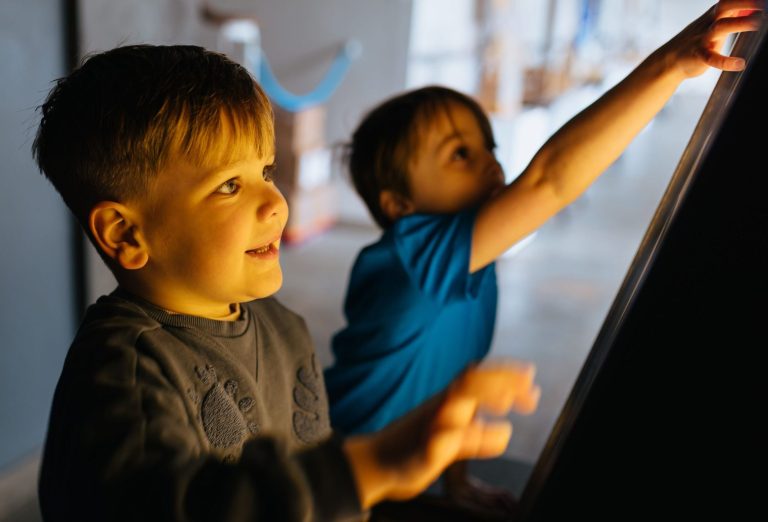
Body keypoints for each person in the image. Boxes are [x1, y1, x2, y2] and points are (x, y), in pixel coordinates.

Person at [32, 44, 541, 521]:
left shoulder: (285, 330)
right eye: (230, 185)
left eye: (267, 171)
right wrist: (370, 465)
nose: (275, 203)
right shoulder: (128, 372)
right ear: (125, 233)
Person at [323, 0, 764, 513]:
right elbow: (549, 181)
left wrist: (457, 482)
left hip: (410, 469)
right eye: (459, 154)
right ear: (399, 206)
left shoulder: (466, 265)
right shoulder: (410, 256)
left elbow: (448, 385)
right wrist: (669, 63)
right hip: (344, 472)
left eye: (487, 144)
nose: (491, 161)